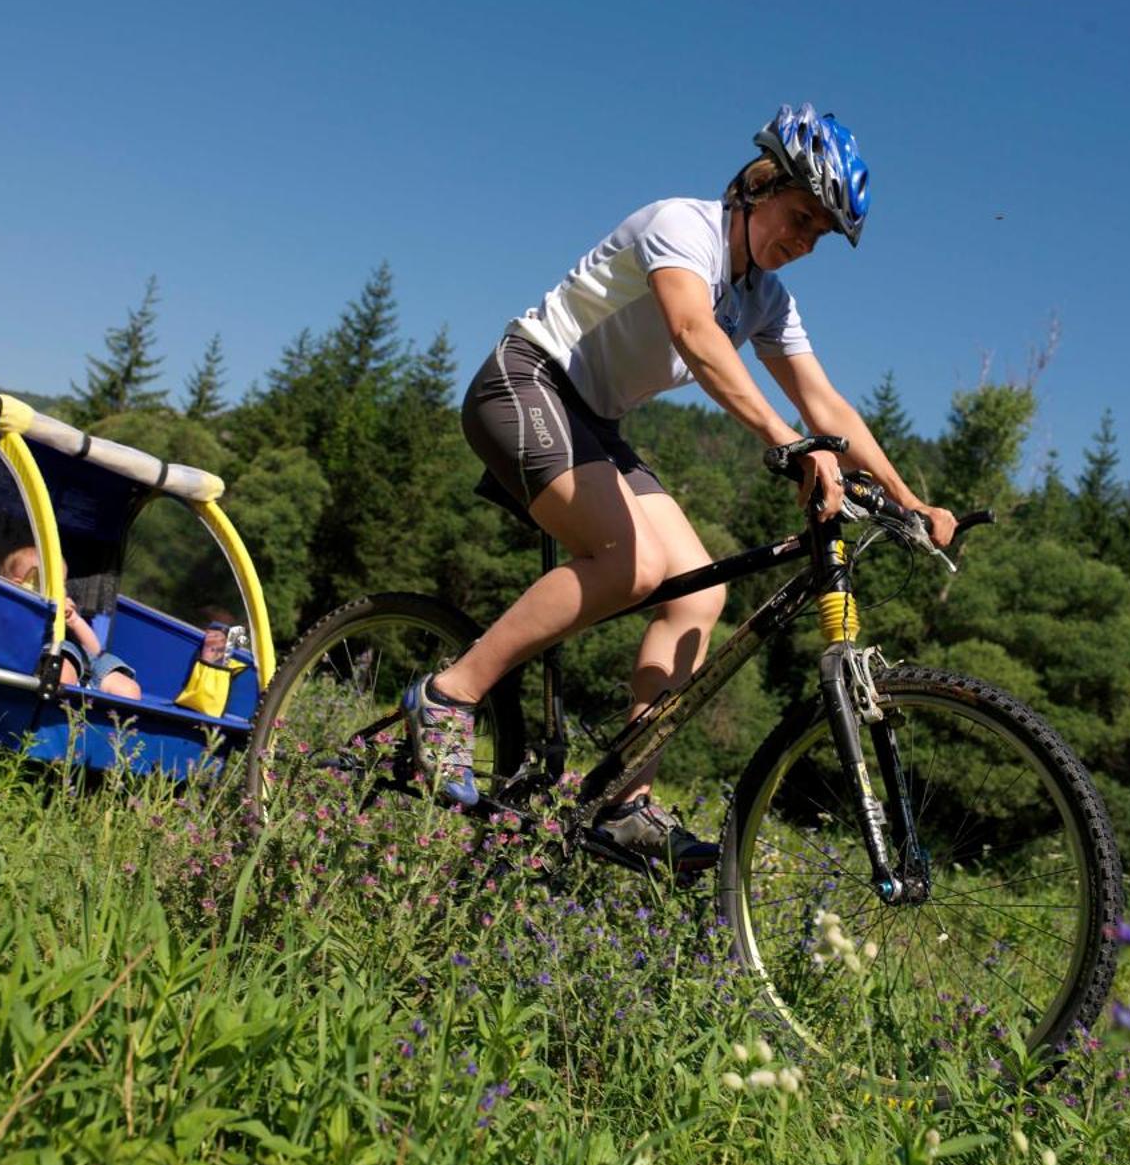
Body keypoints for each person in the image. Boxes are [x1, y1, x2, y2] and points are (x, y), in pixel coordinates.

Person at [407, 104, 957, 870]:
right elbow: (694, 334)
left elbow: (825, 402)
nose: (800, 242)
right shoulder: (683, 226)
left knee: (699, 593)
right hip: (526, 382)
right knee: (626, 562)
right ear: (759, 187)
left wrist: (907, 498)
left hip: (594, 422)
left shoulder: (764, 298)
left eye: (816, 235)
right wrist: (787, 442)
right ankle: (449, 694)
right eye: (798, 217)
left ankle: (621, 801)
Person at [0, 545, 141, 698]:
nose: (61, 590)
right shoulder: (15, 610)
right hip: (53, 659)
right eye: (51, 584)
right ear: (19, 585)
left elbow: (95, 650)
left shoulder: (67, 613)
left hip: (86, 662)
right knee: (62, 672)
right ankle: (68, 703)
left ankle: (112, 716)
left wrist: (74, 620)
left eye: (63, 584)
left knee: (129, 690)